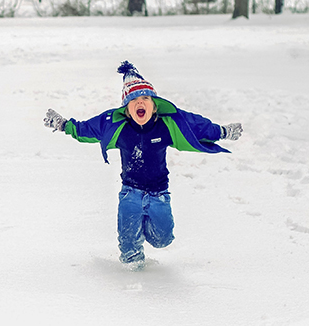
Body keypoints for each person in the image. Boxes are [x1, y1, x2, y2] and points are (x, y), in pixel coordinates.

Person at [43, 61, 243, 270]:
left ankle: (146, 227)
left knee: (163, 240)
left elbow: (197, 126)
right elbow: (86, 129)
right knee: (130, 251)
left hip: (159, 194)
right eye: (134, 100)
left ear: (154, 106)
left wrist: (222, 132)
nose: (140, 103)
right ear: (127, 109)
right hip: (130, 193)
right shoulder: (117, 126)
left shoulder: (166, 126)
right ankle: (133, 282)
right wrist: (63, 124)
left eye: (146, 98)